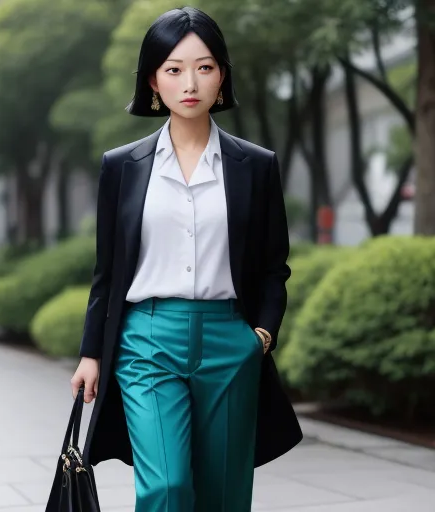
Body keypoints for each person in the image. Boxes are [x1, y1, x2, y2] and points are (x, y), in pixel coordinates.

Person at [70, 6, 302, 511]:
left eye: (205, 66)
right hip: (146, 340)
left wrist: (260, 336)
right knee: (167, 486)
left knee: (223, 492)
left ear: (222, 76)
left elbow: (272, 267)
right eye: (174, 69)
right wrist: (91, 352)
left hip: (229, 340)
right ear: (154, 80)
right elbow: (107, 272)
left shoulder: (256, 167)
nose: (190, 82)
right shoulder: (122, 167)